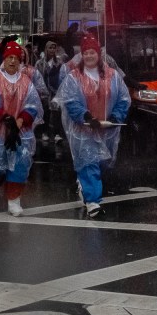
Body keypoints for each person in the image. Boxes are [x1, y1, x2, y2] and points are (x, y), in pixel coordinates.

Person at [55, 33, 131, 217]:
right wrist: (86, 116)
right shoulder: (74, 77)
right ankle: (92, 202)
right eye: (86, 52)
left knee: (103, 162)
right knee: (89, 162)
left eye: (92, 52)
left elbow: (123, 98)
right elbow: (70, 101)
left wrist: (115, 116)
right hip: (84, 130)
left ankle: (84, 184)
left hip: (107, 130)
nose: (89, 56)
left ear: (98, 54)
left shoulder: (112, 76)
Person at [0, 40, 42, 216]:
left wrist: (20, 121)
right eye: (9, 57)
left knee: (19, 166)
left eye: (16, 58)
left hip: (20, 134)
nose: (13, 61)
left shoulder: (26, 81)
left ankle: (14, 201)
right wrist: (4, 117)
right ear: (4, 59)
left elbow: (33, 106)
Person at [35, 40, 67, 145]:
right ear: (46, 49)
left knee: (57, 113)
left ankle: (57, 134)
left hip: (55, 91)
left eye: (54, 48)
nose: (52, 50)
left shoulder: (59, 63)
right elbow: (37, 77)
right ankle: (45, 132)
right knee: (45, 112)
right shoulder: (39, 63)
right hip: (44, 92)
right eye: (50, 48)